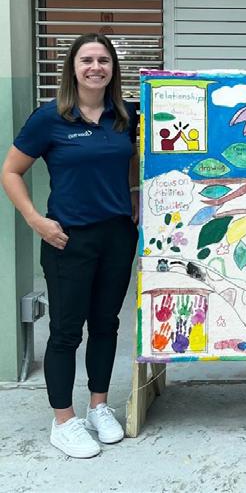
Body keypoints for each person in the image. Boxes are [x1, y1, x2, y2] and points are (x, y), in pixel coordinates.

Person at [1, 34, 139, 458]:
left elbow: (130, 157)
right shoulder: (50, 118)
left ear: (113, 68)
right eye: (87, 60)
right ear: (73, 68)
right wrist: (35, 220)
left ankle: (98, 406)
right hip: (68, 238)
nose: (96, 67)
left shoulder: (125, 115)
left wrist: (133, 194)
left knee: (106, 324)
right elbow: (10, 171)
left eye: (104, 60)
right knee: (65, 331)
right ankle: (63, 421)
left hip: (117, 235)